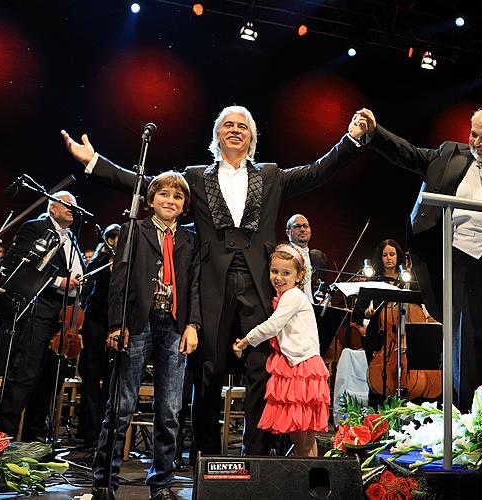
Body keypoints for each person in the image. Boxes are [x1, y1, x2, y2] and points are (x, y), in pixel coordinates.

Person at [61, 105, 366, 456]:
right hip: (210, 281)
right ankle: (205, 456)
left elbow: (317, 171)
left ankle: (256, 458)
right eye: (228, 125)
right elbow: (147, 185)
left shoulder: (270, 174)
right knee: (207, 369)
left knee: (261, 368)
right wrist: (94, 161)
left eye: (243, 126)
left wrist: (351, 141)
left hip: (258, 281)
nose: (235, 130)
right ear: (217, 135)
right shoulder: (194, 175)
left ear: (252, 138)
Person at [352, 107, 482, 436]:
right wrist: (374, 131)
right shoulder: (450, 155)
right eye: (473, 134)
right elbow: (408, 154)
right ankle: (463, 424)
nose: (476, 142)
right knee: (464, 346)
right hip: (463, 261)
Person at [91, 172, 200, 500]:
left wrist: (193, 325)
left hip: (174, 325)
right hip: (137, 323)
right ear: (150, 200)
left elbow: (195, 285)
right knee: (121, 405)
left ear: (184, 206)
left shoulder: (190, 240)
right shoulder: (132, 231)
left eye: (177, 197)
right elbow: (118, 282)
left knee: (169, 409)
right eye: (164, 194)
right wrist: (115, 324)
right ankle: (103, 482)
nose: (170, 200)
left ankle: (162, 484)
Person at [0, 191, 85, 441]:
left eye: (75, 206)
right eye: (68, 205)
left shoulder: (72, 238)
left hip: (62, 316)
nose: (73, 209)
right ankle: (2, 441)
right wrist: (59, 281)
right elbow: (19, 264)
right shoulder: (35, 228)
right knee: (24, 376)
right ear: (52, 208)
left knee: (50, 381)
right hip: (38, 311)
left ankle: (35, 443)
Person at [232, 243, 329, 457]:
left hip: (301, 368)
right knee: (304, 439)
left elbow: (272, 326)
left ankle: (302, 482)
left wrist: (245, 342)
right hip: (300, 364)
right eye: (274, 271)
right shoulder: (287, 296)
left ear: (299, 275)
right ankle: (307, 480)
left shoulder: (293, 296)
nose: (279, 277)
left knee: (301, 437)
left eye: (286, 273)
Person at [77, 223, 120, 447]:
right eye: (112, 239)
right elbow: (89, 277)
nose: (115, 243)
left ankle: (105, 429)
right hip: (95, 322)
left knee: (111, 378)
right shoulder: (101, 261)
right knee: (91, 375)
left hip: (116, 324)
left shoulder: (127, 262)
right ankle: (89, 430)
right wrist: (104, 256)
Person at [286, 214, 316, 302]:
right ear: (288, 232)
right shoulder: (284, 254)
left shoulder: (317, 257)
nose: (303, 230)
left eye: (305, 226)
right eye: (297, 226)